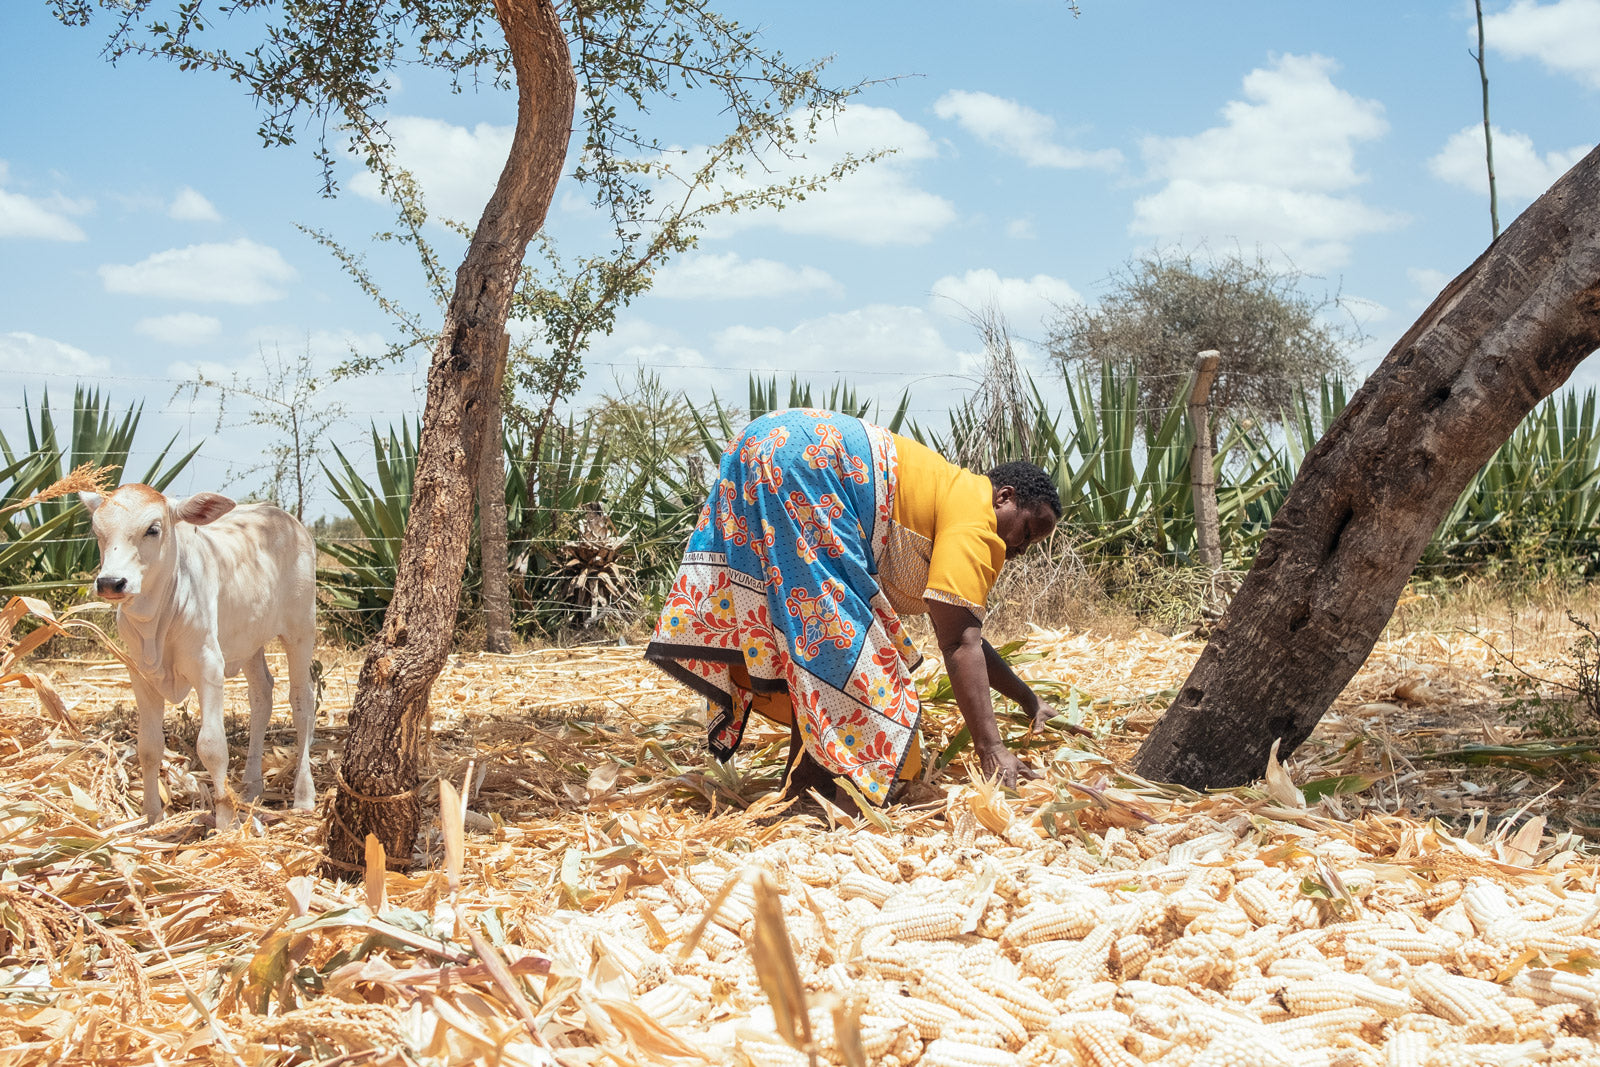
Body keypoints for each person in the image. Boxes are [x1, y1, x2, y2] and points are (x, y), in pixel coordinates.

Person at [644, 407, 1074, 807]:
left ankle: (810, 779)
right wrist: (992, 748)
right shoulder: (976, 516)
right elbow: (962, 642)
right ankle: (826, 783)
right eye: (1029, 529)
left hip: (766, 445)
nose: (1021, 547)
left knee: (809, 632)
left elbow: (967, 639)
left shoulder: (949, 496)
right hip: (809, 465)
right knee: (851, 651)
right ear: (1004, 496)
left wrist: (1027, 698)